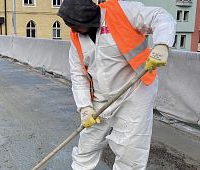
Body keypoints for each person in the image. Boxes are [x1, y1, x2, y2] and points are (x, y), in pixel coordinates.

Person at [58, 0, 176, 169]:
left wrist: (162, 45)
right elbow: (78, 75)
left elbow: (161, 17)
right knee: (88, 143)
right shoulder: (76, 36)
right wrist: (85, 107)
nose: (72, 30)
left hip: (134, 90)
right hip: (100, 96)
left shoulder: (123, 11)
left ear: (88, 19)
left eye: (75, 26)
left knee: (130, 150)